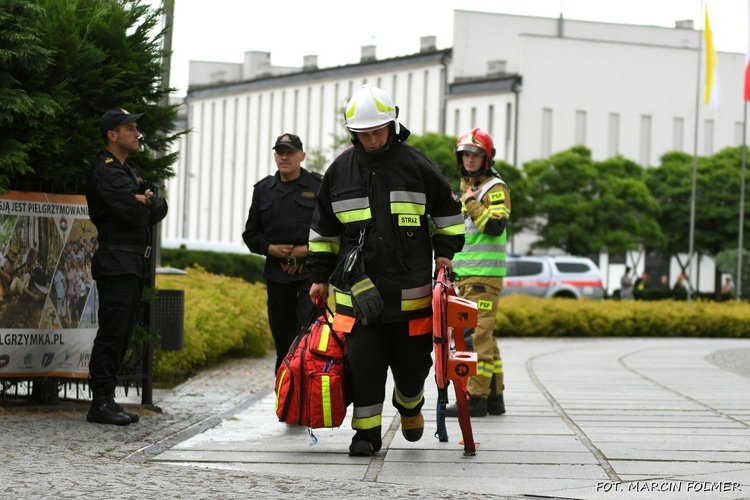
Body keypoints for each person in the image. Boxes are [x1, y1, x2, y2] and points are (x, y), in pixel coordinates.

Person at [307, 84, 465, 457]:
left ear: (392, 125)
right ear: (353, 134)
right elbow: (323, 231)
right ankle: (366, 434)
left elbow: (449, 216)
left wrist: (445, 254)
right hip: (357, 297)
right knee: (364, 367)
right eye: (364, 134)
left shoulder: (417, 166)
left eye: (378, 131)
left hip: (410, 296)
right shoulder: (339, 172)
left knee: (413, 365)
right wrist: (318, 276)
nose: (372, 140)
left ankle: (409, 404)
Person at [85, 108, 168, 426]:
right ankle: (100, 403)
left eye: (136, 128)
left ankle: (108, 399)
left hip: (133, 262)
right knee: (112, 332)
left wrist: (145, 199)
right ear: (112, 135)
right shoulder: (106, 171)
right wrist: (143, 202)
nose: (136, 133)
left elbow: (158, 205)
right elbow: (132, 213)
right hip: (117, 261)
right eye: (130, 128)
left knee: (123, 334)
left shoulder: (128, 171)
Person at [443, 128, 510, 418]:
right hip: (468, 276)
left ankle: (475, 399)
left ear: (487, 157)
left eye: (476, 154)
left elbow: (495, 226)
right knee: (486, 338)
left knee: (475, 337)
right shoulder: (467, 189)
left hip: (483, 277)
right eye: (465, 154)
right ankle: (494, 397)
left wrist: (470, 202)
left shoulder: (494, 188)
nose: (470, 159)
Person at [242, 133, 322, 373]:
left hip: (310, 274)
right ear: (275, 156)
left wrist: (306, 252)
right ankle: (285, 397)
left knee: (308, 337)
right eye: (280, 152)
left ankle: (310, 393)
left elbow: (332, 231)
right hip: (277, 275)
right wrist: (271, 249)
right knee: (283, 342)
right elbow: (251, 234)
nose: (284, 157)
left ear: (302, 156)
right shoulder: (263, 189)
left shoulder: (317, 186)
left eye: (290, 152)